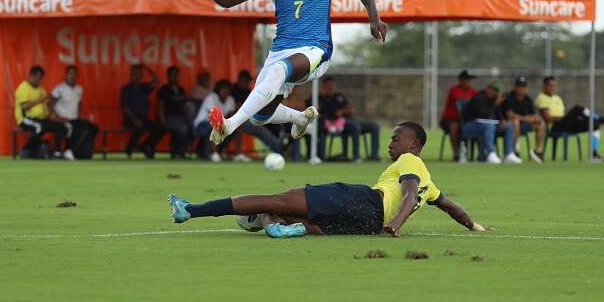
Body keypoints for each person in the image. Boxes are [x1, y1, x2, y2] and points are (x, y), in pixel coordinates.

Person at [187, 0, 387, 148]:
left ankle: (229, 125)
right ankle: (300, 118)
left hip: (315, 49)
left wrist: (374, 18)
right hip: (281, 48)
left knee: (279, 70)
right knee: (259, 116)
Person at [168, 122, 491, 238]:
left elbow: (407, 195)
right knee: (308, 222)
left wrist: (398, 224)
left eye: (396, 139)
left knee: (278, 200)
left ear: (414, 145)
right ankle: (284, 228)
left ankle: (191, 210)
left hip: (366, 202)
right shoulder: (430, 185)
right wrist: (474, 226)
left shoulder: (411, 161)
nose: (391, 144)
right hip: (368, 225)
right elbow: (451, 208)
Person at [535, 76, 604, 163]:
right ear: (544, 86)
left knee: (594, 125)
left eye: (554, 86)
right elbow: (547, 118)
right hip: (556, 126)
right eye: (550, 85)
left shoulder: (557, 98)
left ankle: (593, 154)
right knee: (577, 108)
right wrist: (563, 117)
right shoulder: (542, 98)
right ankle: (598, 117)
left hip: (566, 124)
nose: (552, 88)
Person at [14, 65, 72, 160]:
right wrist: (39, 100)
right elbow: (24, 106)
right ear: (31, 76)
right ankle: (26, 150)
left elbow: (45, 104)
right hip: (26, 119)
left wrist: (51, 115)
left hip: (42, 118)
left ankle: (57, 153)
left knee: (61, 127)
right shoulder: (23, 87)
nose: (39, 81)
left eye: (41, 79)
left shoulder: (41, 88)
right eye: (38, 78)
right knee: (39, 127)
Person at [317, 77, 380, 162]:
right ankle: (356, 156)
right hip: (333, 124)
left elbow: (351, 109)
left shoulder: (339, 96)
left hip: (348, 120)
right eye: (328, 86)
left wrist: (342, 111)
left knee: (374, 126)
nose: (330, 88)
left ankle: (374, 156)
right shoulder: (320, 98)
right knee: (355, 126)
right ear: (323, 87)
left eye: (332, 85)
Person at [50, 65, 99, 159]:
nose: (72, 76)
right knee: (67, 128)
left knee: (93, 128)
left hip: (75, 119)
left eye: (75, 74)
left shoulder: (79, 89)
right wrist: (55, 116)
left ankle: (77, 151)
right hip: (63, 119)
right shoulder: (59, 88)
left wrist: (79, 116)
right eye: (70, 74)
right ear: (66, 75)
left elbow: (79, 103)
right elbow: (50, 103)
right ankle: (66, 151)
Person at [120, 64, 165, 159]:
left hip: (143, 118)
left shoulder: (144, 87)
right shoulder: (126, 89)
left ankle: (146, 145)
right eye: (136, 73)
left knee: (160, 128)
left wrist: (148, 69)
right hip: (130, 118)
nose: (138, 75)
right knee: (140, 127)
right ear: (131, 74)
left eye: (140, 73)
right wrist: (135, 119)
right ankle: (130, 147)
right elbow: (125, 107)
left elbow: (157, 81)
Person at [500, 76, 545, 164]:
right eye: (519, 86)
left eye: (523, 87)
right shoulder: (509, 97)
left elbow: (533, 115)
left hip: (525, 125)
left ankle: (537, 151)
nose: (521, 89)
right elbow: (510, 115)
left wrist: (534, 118)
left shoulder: (527, 99)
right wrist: (526, 118)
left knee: (541, 123)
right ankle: (513, 151)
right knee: (515, 123)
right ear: (515, 87)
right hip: (511, 125)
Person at [194, 79, 237, 162]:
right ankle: (214, 153)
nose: (225, 91)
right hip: (202, 123)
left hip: (220, 124)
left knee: (234, 128)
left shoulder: (230, 99)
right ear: (218, 89)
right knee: (214, 126)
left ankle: (231, 153)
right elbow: (214, 116)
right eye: (223, 88)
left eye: (227, 88)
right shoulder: (211, 98)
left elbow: (231, 115)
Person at [461, 81, 502, 164]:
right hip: (469, 126)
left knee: (508, 126)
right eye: (492, 89)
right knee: (489, 126)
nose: (494, 92)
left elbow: (498, 116)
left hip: (484, 127)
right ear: (487, 88)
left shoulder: (493, 100)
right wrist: (495, 104)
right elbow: (484, 115)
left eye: (496, 90)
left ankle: (509, 153)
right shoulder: (479, 98)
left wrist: (497, 106)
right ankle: (490, 153)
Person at [440, 70, 477, 161]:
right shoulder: (454, 90)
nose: (469, 82)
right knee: (454, 126)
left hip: (466, 120)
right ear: (461, 80)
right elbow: (460, 106)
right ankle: (456, 152)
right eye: (467, 79)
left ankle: (478, 154)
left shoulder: (473, 92)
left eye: (470, 80)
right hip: (449, 119)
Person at [157, 66, 192, 159]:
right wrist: (162, 120)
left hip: (182, 117)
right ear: (168, 76)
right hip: (170, 117)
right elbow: (160, 107)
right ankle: (176, 153)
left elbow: (185, 105)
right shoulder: (163, 89)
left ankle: (182, 151)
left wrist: (189, 116)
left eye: (177, 75)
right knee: (182, 129)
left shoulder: (181, 89)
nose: (175, 77)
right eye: (173, 75)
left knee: (193, 127)